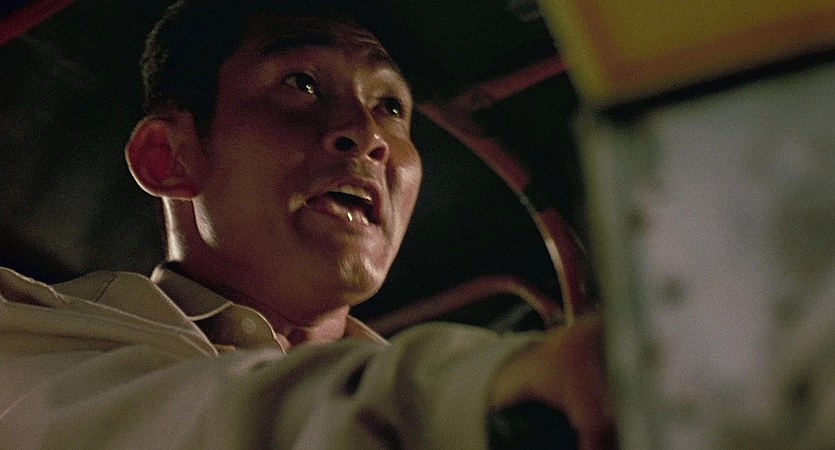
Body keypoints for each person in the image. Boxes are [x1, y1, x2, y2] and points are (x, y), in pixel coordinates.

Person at [0, 0, 615, 448]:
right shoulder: (29, 342)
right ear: (168, 157)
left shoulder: (418, 385)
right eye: (303, 83)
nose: (368, 134)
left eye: (390, 106)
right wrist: (503, 389)